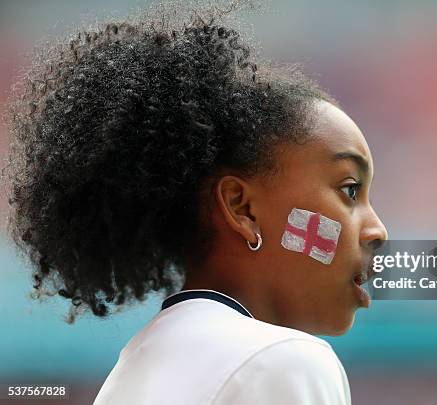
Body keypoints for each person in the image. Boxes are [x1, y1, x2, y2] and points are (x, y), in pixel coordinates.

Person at [5, 3, 387, 404]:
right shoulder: (283, 361)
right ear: (242, 209)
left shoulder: (133, 367)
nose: (379, 231)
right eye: (349, 190)